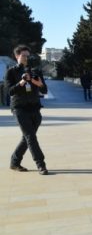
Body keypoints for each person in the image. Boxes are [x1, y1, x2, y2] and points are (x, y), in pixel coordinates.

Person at [6, 45, 49, 175]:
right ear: (17, 56)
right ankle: (41, 164)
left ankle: (14, 162)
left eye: (27, 56)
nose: (26, 58)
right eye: (23, 55)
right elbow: (9, 91)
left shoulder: (35, 71)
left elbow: (44, 90)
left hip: (35, 108)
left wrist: (37, 83)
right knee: (30, 137)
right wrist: (22, 82)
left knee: (28, 137)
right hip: (19, 108)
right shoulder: (11, 72)